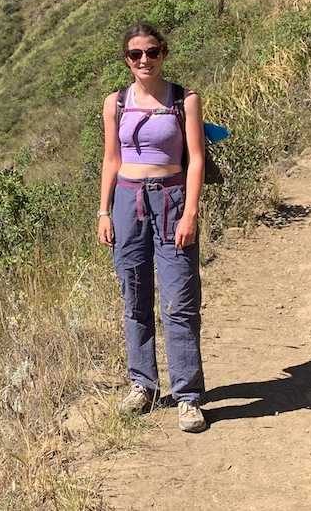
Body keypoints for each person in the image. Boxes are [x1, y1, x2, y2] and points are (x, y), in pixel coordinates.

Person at [97, 22, 208, 433]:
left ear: (164, 53)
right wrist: (103, 211)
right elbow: (111, 158)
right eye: (135, 54)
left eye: (152, 52)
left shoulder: (185, 99)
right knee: (135, 296)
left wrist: (190, 212)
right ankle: (142, 385)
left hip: (172, 199)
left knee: (179, 300)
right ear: (126, 60)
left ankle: (188, 396)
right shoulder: (116, 102)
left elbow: (195, 159)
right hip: (127, 202)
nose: (144, 60)